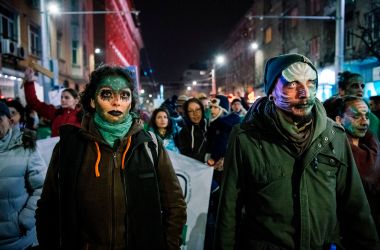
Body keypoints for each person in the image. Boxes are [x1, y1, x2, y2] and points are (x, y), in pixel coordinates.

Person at [214, 53, 379, 249]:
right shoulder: (245, 138)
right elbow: (229, 210)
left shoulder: (334, 135)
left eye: (310, 83)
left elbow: (356, 208)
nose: (304, 93)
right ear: (271, 91)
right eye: (292, 84)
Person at [35, 65, 187, 249]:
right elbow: (48, 209)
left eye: (124, 95)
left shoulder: (149, 145)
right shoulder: (69, 148)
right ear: (92, 101)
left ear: (130, 103)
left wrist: (169, 246)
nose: (116, 102)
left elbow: (175, 205)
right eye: (107, 94)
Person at [0, 102, 46, 250]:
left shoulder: (26, 148)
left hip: (18, 240)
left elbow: (42, 186)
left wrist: (26, 218)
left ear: (10, 121)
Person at [332, 96, 380, 235]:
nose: (364, 121)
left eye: (367, 116)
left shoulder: (373, 147)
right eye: (356, 116)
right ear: (339, 120)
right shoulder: (335, 152)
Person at [204, 95, 240, 250]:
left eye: (215, 107)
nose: (212, 110)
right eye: (210, 107)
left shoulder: (225, 126)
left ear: (222, 109)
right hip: (214, 170)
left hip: (224, 172)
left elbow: (227, 147)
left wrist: (220, 158)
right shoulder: (214, 124)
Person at [22, 67, 83, 137]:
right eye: (61, 97)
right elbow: (33, 102)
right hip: (56, 147)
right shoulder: (55, 112)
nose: (63, 99)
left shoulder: (83, 116)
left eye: (67, 98)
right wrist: (29, 82)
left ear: (76, 100)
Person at [334, 71, 380, 139]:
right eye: (355, 86)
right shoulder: (330, 111)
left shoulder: (373, 120)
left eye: (362, 86)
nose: (360, 90)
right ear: (341, 90)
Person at [176, 97, 208, 162]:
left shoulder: (211, 126)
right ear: (187, 114)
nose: (195, 114)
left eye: (198, 109)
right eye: (190, 111)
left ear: (202, 110)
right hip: (196, 169)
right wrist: (205, 158)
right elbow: (185, 156)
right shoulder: (183, 132)